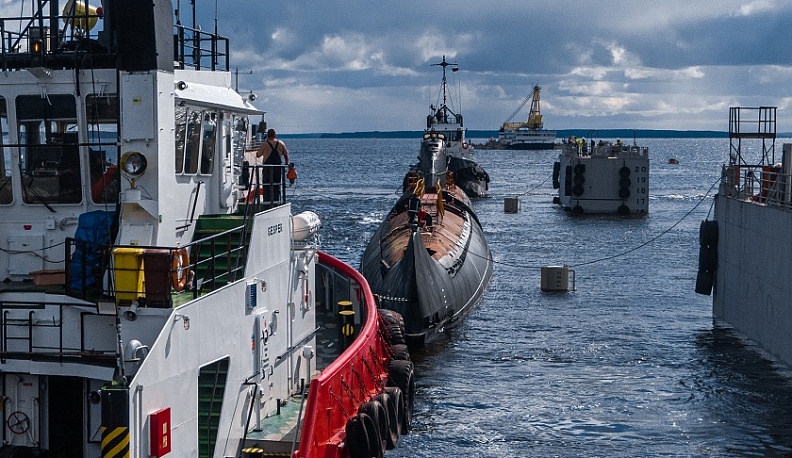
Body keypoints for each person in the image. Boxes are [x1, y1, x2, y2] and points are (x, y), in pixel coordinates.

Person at [254, 129, 290, 203]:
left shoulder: (264, 144)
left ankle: (266, 201)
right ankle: (277, 200)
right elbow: (286, 155)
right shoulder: (280, 143)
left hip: (267, 168)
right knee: (277, 185)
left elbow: (258, 155)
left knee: (266, 185)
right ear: (275, 135)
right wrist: (286, 163)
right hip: (277, 168)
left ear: (267, 135)